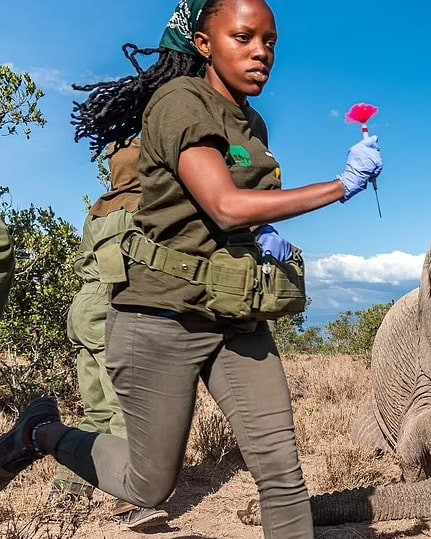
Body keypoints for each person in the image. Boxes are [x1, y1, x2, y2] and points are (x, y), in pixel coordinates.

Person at [0, 1, 382, 537]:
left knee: (282, 473)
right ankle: (40, 432)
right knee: (148, 484)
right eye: (244, 38)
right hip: (160, 316)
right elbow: (224, 205)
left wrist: (263, 234)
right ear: (204, 45)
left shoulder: (254, 124)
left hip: (233, 314)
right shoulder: (179, 101)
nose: (261, 53)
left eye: (270, 42)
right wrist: (341, 186)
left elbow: (237, 210)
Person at [46, 139, 170, 531]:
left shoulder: (98, 210)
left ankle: (67, 489)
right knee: (126, 407)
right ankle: (130, 500)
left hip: (84, 307)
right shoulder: (144, 207)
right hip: (113, 307)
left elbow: (88, 262)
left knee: (96, 409)